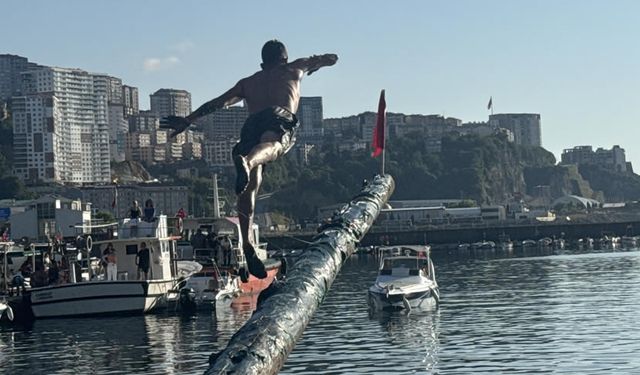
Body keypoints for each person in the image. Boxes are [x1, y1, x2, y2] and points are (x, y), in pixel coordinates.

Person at [160, 40, 338, 278]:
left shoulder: (249, 82)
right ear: (284, 59)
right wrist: (320, 61)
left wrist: (187, 120)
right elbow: (331, 58)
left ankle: (246, 243)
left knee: (249, 189)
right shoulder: (294, 68)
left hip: (251, 124)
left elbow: (217, 103)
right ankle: (248, 161)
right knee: (274, 145)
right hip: (278, 115)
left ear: (262, 63)